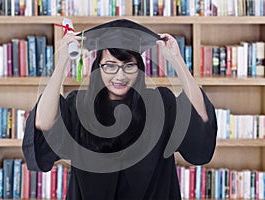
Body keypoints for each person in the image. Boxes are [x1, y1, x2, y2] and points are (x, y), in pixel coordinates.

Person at [22, 19, 217, 200]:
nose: (120, 75)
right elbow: (43, 123)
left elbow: (201, 116)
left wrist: (176, 60)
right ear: (98, 68)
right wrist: (62, 62)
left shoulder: (160, 103)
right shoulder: (80, 105)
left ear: (139, 68)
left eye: (128, 66)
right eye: (110, 66)